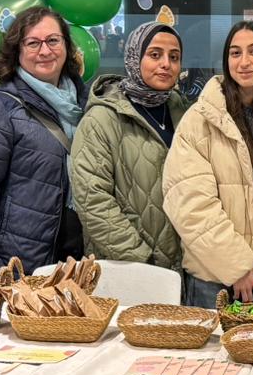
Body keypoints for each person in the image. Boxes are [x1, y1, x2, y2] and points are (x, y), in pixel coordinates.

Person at [165, 21, 253, 309]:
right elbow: (190, 202)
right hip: (212, 279)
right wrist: (237, 268)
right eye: (235, 53)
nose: (244, 62)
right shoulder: (200, 119)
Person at [0, 5, 88, 277]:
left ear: (67, 46)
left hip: (79, 255)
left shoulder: (86, 104)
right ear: (17, 51)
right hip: (21, 261)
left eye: (53, 40)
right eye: (33, 43)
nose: (45, 51)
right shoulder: (1, 108)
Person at [69, 22, 190, 269]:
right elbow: (93, 200)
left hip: (181, 265)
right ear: (135, 58)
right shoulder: (101, 119)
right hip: (127, 267)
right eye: (155, 55)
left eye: (174, 57)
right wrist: (141, 258)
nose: (166, 64)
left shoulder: (182, 112)